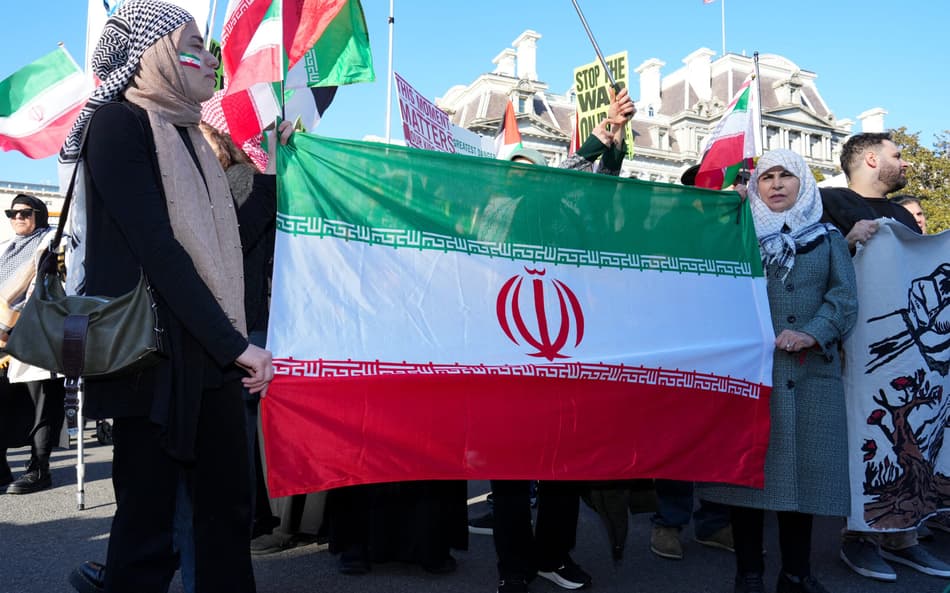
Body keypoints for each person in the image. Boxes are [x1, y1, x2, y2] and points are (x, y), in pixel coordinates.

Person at [58, 2, 277, 592]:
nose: (210, 60)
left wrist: (272, 175)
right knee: (148, 532)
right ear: (150, 54)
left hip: (208, 356)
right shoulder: (117, 127)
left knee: (227, 521)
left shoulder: (193, 138)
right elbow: (158, 247)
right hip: (152, 362)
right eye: (195, 47)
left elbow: (227, 238)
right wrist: (236, 344)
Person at [491, 87, 635, 593]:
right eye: (518, 171)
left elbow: (603, 191)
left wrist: (614, 140)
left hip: (565, 351)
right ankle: (514, 568)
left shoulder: (565, 215)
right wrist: (597, 136)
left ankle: (553, 554)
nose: (529, 178)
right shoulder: (489, 213)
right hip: (504, 355)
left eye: (535, 169)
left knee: (563, 464)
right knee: (508, 470)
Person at [701, 149, 858, 593]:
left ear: (803, 183)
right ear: (755, 186)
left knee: (802, 486)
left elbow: (844, 298)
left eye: (785, 176)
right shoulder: (736, 234)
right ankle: (748, 574)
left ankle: (796, 574)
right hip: (753, 377)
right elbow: (716, 290)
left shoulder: (827, 238)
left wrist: (813, 332)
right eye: (766, 176)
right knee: (747, 484)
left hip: (811, 376)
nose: (775, 184)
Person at [820, 133, 950, 582]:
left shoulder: (900, 215)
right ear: (871, 158)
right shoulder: (828, 201)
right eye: (897, 155)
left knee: (911, 431)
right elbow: (810, 260)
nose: (905, 163)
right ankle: (859, 537)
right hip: (852, 345)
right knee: (864, 433)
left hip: (903, 352)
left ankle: (904, 537)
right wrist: (845, 239)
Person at [0, 194, 67, 495]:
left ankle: (40, 467)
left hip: (35, 330)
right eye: (11, 213)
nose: (17, 218)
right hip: (4, 334)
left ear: (39, 214)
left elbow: (33, 280)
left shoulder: (52, 240)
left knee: (41, 401)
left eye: (25, 213)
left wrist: (4, 320)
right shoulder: (6, 248)